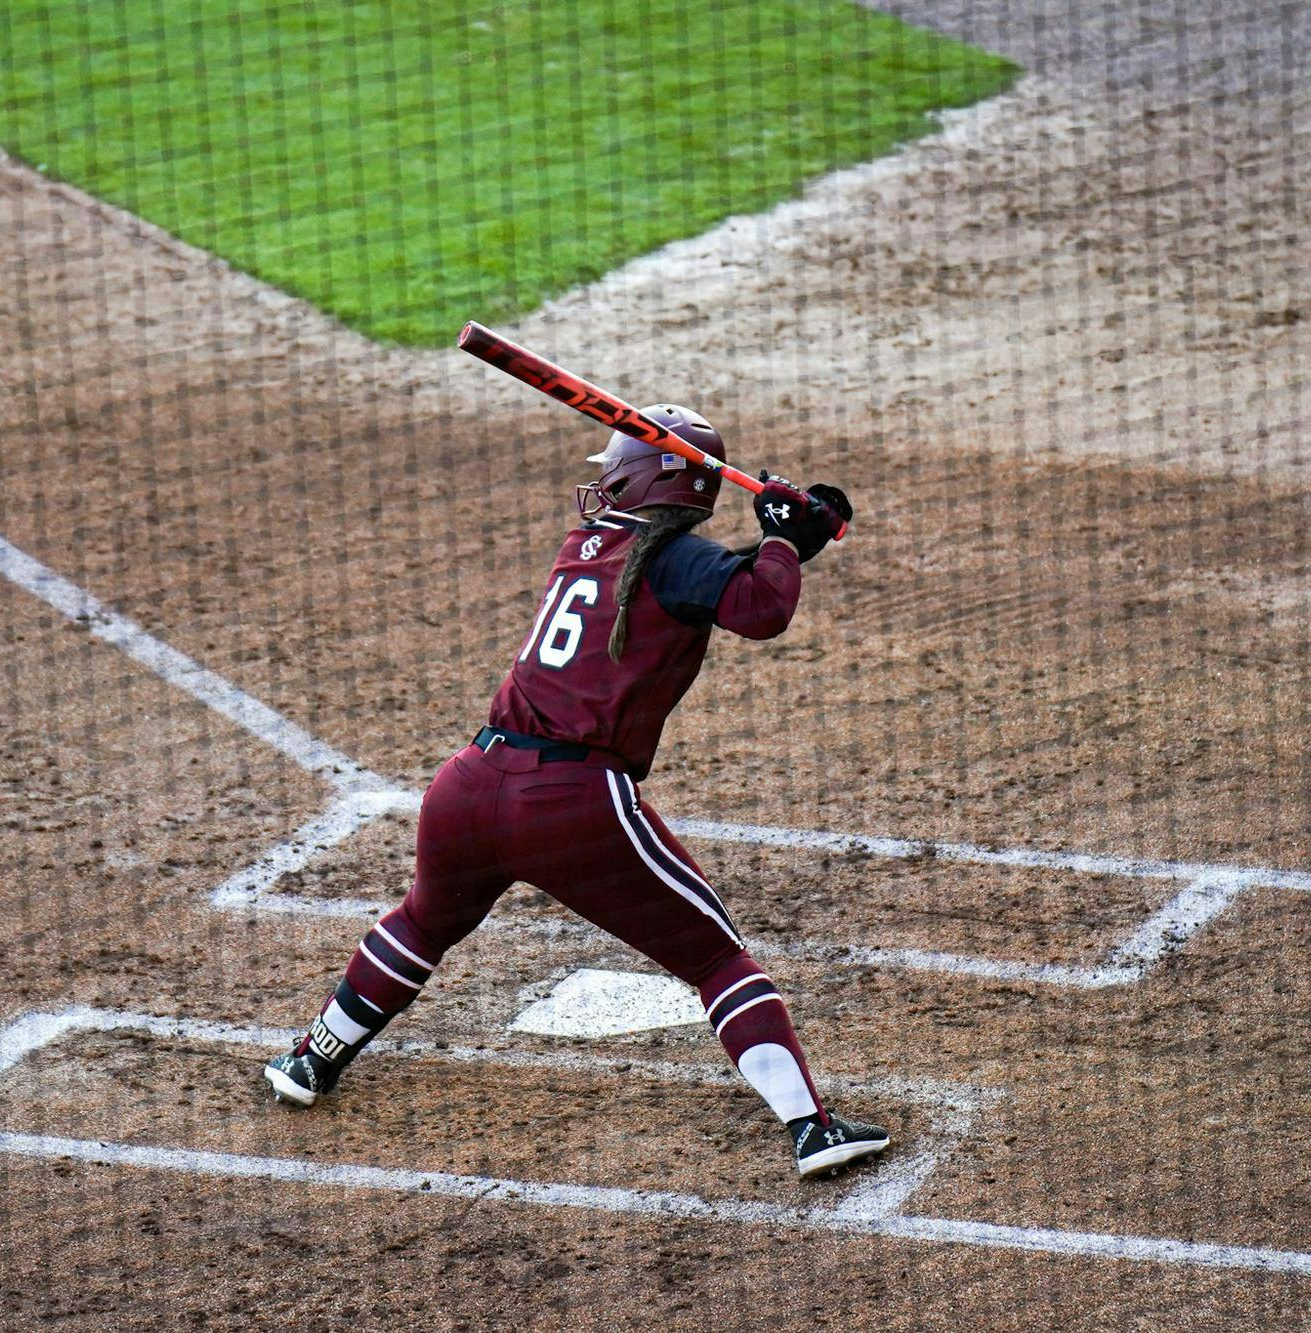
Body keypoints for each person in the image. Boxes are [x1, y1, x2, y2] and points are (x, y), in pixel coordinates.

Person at [264, 405, 889, 1179]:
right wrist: (783, 540)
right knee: (716, 959)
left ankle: (312, 1057)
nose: (605, 480)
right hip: (571, 804)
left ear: (640, 478)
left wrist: (789, 546)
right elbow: (758, 607)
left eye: (615, 469)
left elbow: (706, 584)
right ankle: (813, 1129)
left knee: (423, 920)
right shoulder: (675, 561)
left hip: (468, 786)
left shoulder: (587, 546)